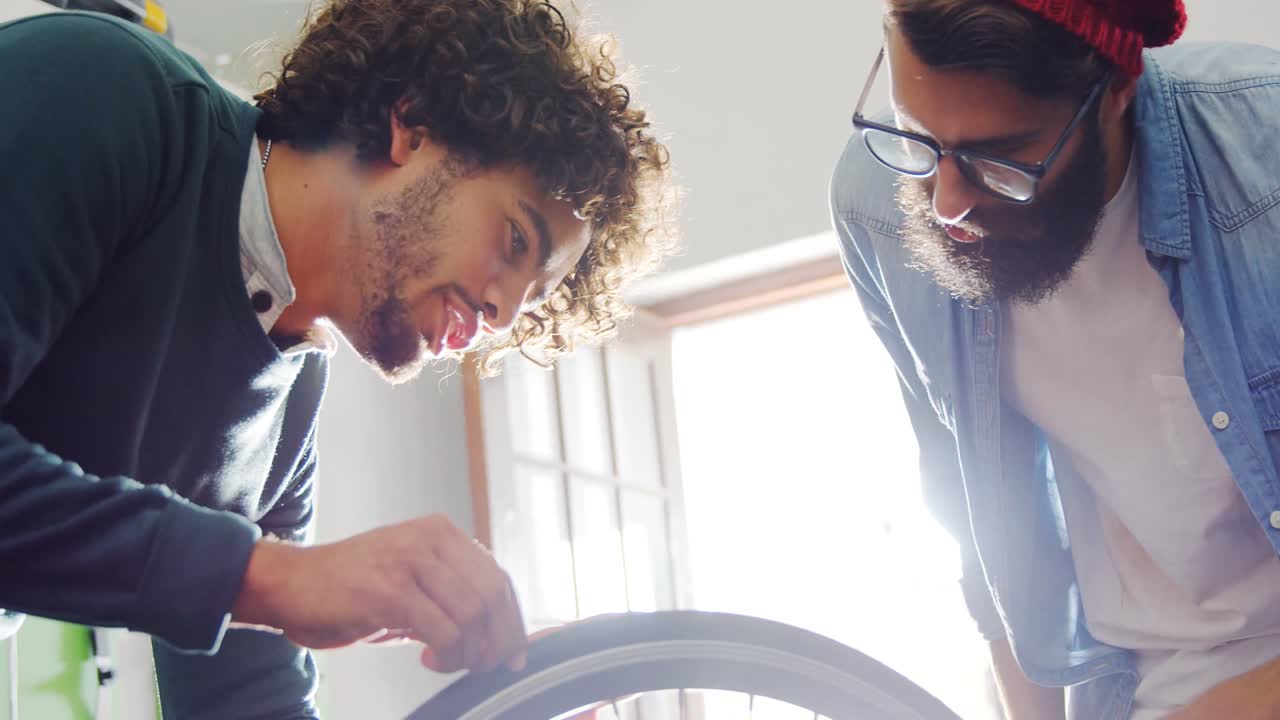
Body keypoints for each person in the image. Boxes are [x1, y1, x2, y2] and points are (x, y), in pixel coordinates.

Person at [0, 0, 672, 716]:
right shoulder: (102, 90)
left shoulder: (289, 405)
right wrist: (276, 578)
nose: (500, 314)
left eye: (528, 303)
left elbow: (247, 704)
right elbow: (268, 586)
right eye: (514, 239)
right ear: (412, 128)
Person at [831, 0, 1280, 718]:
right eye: (915, 136)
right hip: (1138, 688)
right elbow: (980, 520)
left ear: (1117, 92)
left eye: (1001, 160)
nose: (946, 203)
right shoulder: (878, 208)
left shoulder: (1265, 161)